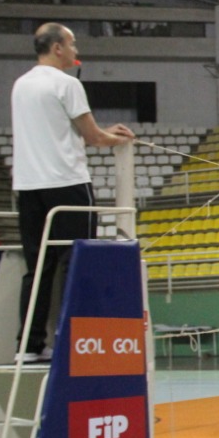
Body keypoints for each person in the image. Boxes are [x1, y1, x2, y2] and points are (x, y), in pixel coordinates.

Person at [10, 23, 135, 361]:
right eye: (72, 44)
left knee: (36, 268)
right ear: (57, 48)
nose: (77, 50)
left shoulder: (21, 85)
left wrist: (102, 133)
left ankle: (29, 345)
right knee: (74, 262)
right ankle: (69, 341)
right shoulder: (67, 84)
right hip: (66, 183)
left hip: (28, 187)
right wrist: (120, 138)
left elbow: (63, 134)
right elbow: (93, 137)